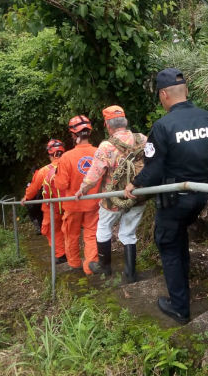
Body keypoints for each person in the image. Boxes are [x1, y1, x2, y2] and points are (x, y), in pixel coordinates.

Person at [124, 68, 208, 324]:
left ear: (164, 94)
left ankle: (179, 308)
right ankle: (182, 293)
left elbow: (154, 170)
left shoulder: (163, 126)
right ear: (186, 91)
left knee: (168, 244)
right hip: (202, 197)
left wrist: (134, 185)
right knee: (178, 239)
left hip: (174, 201)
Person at [74, 106, 147, 283]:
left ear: (107, 125)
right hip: (138, 195)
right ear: (126, 121)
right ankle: (130, 274)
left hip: (112, 198)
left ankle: (105, 266)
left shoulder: (107, 146)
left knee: (103, 228)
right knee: (128, 233)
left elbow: (94, 174)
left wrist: (82, 189)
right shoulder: (142, 139)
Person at [54, 115, 101, 274]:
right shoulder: (98, 153)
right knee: (91, 234)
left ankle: (74, 265)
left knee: (71, 235)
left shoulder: (66, 157)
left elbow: (61, 185)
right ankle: (91, 267)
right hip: (93, 202)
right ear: (89, 133)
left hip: (72, 204)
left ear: (73, 135)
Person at [22, 139, 67, 264]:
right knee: (70, 230)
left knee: (52, 230)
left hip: (51, 207)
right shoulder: (71, 165)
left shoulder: (44, 171)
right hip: (71, 204)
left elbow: (33, 189)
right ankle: (72, 256)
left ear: (50, 154)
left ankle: (62, 255)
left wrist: (26, 198)